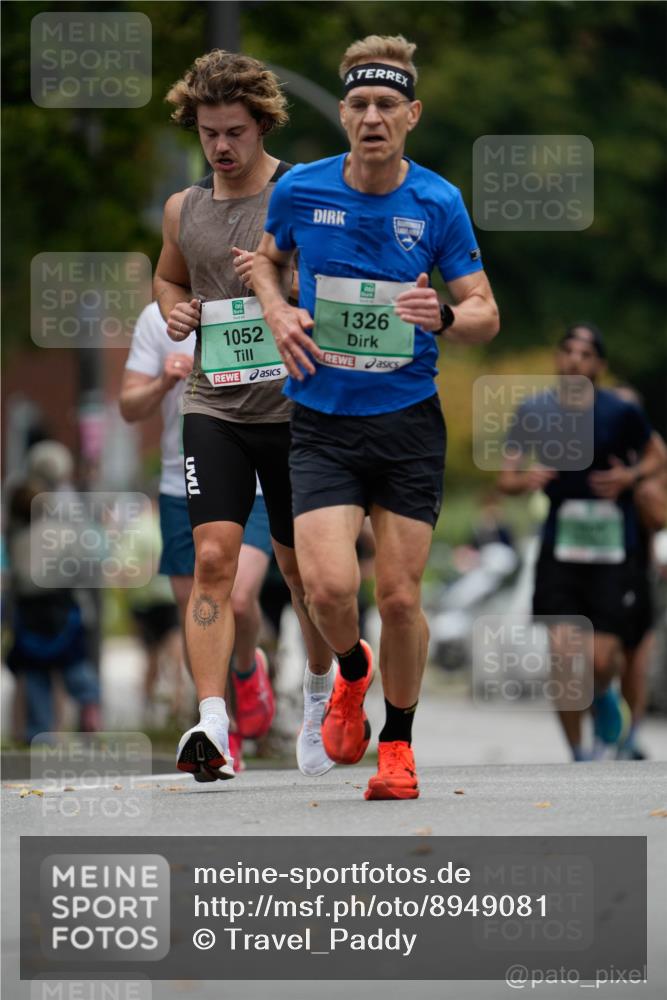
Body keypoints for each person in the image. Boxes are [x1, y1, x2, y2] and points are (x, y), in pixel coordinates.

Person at [253, 34, 499, 800]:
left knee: (397, 596)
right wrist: (277, 310)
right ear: (343, 114)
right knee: (327, 591)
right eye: (357, 104)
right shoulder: (299, 190)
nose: (370, 116)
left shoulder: (436, 202)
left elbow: (486, 310)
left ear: (411, 114)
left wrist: (446, 318)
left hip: (405, 424)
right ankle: (350, 672)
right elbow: (263, 258)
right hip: (322, 421)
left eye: (385, 104)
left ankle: (397, 747)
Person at [153, 50, 333, 782]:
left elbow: (339, 283)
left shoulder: (302, 191)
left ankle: (320, 696)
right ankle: (214, 723)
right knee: (214, 566)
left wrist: (292, 297)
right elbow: (167, 277)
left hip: (295, 410)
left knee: (302, 576)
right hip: (215, 405)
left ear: (262, 125)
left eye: (233, 131)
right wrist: (177, 314)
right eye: (207, 133)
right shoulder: (183, 209)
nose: (220, 147)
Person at [497, 323, 666, 760]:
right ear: (558, 358)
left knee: (600, 660)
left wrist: (630, 476)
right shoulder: (534, 410)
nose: (575, 359)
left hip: (614, 551)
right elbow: (507, 477)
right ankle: (579, 753)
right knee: (562, 657)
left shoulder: (620, 411)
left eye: (586, 353)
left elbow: (657, 456)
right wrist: (524, 479)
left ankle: (604, 698)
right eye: (568, 350)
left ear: (599, 365)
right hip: (561, 549)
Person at [120, 300, 277, 767]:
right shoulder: (156, 317)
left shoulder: (259, 302)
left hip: (255, 479)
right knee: (198, 609)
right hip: (178, 483)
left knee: (241, 597)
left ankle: (248, 671)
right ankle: (217, 725)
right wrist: (163, 381)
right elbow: (129, 406)